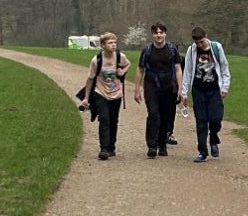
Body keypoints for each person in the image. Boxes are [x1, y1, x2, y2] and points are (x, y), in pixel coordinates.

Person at [180, 25, 231, 162]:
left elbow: (224, 67)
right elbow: (187, 71)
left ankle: (213, 139)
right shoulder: (191, 50)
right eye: (197, 42)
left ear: (206, 37)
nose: (199, 45)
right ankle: (202, 151)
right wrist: (184, 92)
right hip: (198, 90)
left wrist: (225, 87)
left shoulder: (216, 47)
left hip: (214, 89)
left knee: (215, 119)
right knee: (201, 120)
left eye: (201, 41)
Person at [133, 21, 182, 158]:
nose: (159, 35)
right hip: (151, 86)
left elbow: (178, 69)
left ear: (165, 34)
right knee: (154, 114)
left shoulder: (172, 50)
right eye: (156, 33)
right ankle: (152, 145)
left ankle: (162, 144)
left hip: (168, 87)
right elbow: (140, 69)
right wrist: (137, 89)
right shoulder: (147, 51)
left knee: (165, 116)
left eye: (161, 32)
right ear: (152, 34)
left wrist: (180, 88)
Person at [79, 32, 129, 160]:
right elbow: (90, 79)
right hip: (100, 93)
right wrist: (86, 98)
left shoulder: (120, 56)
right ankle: (104, 149)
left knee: (113, 120)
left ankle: (111, 147)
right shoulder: (96, 60)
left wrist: (122, 71)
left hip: (116, 94)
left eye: (115, 42)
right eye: (110, 43)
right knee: (104, 119)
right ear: (103, 45)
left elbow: (127, 64)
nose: (113, 45)